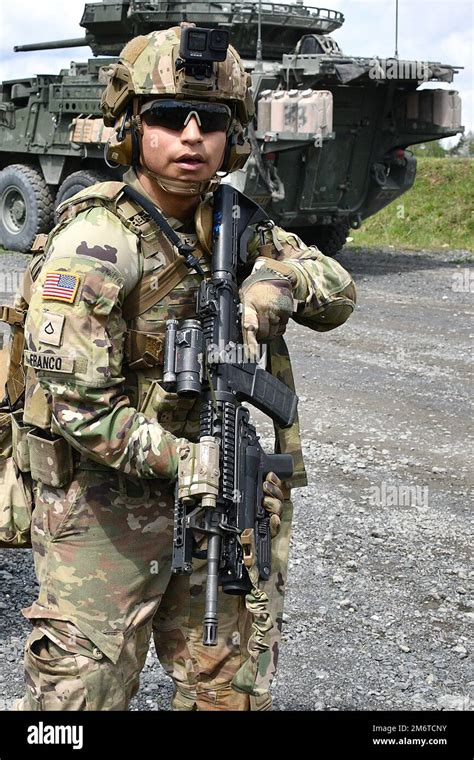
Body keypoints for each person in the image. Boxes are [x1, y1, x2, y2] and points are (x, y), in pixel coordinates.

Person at [13, 24, 356, 711]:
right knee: (80, 697)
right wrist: (185, 460)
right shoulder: (97, 242)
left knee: (228, 684)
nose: (192, 136)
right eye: (169, 118)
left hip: (217, 496)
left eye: (213, 121)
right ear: (133, 127)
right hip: (105, 506)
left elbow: (339, 291)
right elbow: (79, 410)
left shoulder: (232, 223)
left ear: (235, 136)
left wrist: (274, 286)